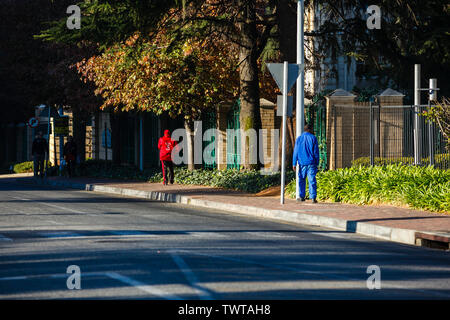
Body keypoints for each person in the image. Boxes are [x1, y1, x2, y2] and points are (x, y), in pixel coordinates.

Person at [292, 124, 320, 203]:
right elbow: (316, 152)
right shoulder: (313, 138)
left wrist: (294, 163)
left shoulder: (299, 139)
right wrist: (317, 162)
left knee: (301, 179)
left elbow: (296, 152)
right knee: (312, 180)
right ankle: (313, 197)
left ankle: (301, 196)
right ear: (310, 129)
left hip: (302, 163)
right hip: (311, 163)